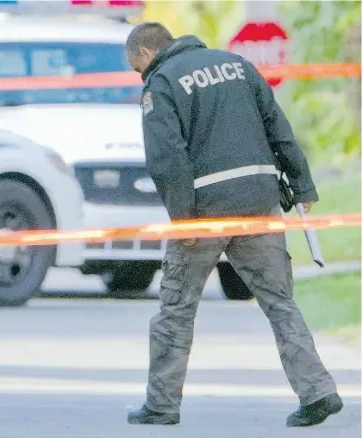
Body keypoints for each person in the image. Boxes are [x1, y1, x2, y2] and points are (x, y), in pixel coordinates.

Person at [124, 22, 343, 428]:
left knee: (176, 308)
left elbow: (167, 158)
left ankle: (161, 405)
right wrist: (302, 184)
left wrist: (183, 221)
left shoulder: (162, 82)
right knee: (281, 304)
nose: (139, 75)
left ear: (145, 53)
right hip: (260, 204)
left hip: (205, 210)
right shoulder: (238, 65)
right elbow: (279, 127)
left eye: (136, 67)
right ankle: (318, 392)